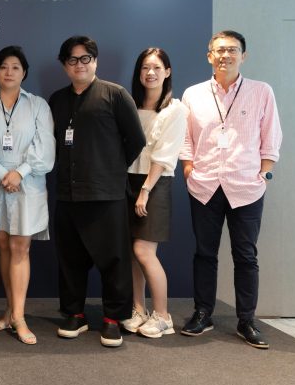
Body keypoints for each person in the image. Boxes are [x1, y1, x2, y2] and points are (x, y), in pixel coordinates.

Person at [179, 30, 282, 349]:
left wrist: (264, 174)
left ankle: (247, 320)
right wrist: (188, 169)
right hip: (205, 185)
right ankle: (202, 313)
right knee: (204, 254)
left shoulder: (261, 91)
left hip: (246, 187)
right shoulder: (193, 93)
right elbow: (185, 138)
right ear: (209, 55)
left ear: (243, 55)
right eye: (219, 50)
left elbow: (271, 136)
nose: (225, 55)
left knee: (246, 256)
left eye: (232, 50)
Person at [48, 36, 146, 348]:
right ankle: (75, 314)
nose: (80, 64)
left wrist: (111, 169)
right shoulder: (57, 100)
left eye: (86, 58)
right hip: (67, 193)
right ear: (65, 65)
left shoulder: (115, 94)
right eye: (73, 59)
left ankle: (112, 318)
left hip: (107, 194)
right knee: (70, 259)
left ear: (96, 61)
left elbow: (136, 140)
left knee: (114, 259)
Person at [0, 46, 55, 346]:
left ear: (24, 72)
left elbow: (45, 147)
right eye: (3, 66)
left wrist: (20, 172)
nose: (9, 72)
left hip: (29, 182)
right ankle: (10, 309)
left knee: (20, 246)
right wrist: (2, 173)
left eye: (15, 67)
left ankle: (20, 317)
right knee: (2, 243)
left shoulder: (38, 105)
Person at [122, 48, 188, 339]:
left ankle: (162, 315)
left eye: (157, 68)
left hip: (154, 184)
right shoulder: (129, 105)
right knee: (130, 253)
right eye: (145, 68)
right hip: (126, 180)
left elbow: (163, 156)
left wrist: (145, 190)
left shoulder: (176, 109)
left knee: (143, 250)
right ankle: (139, 309)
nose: (150, 73)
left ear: (167, 71)